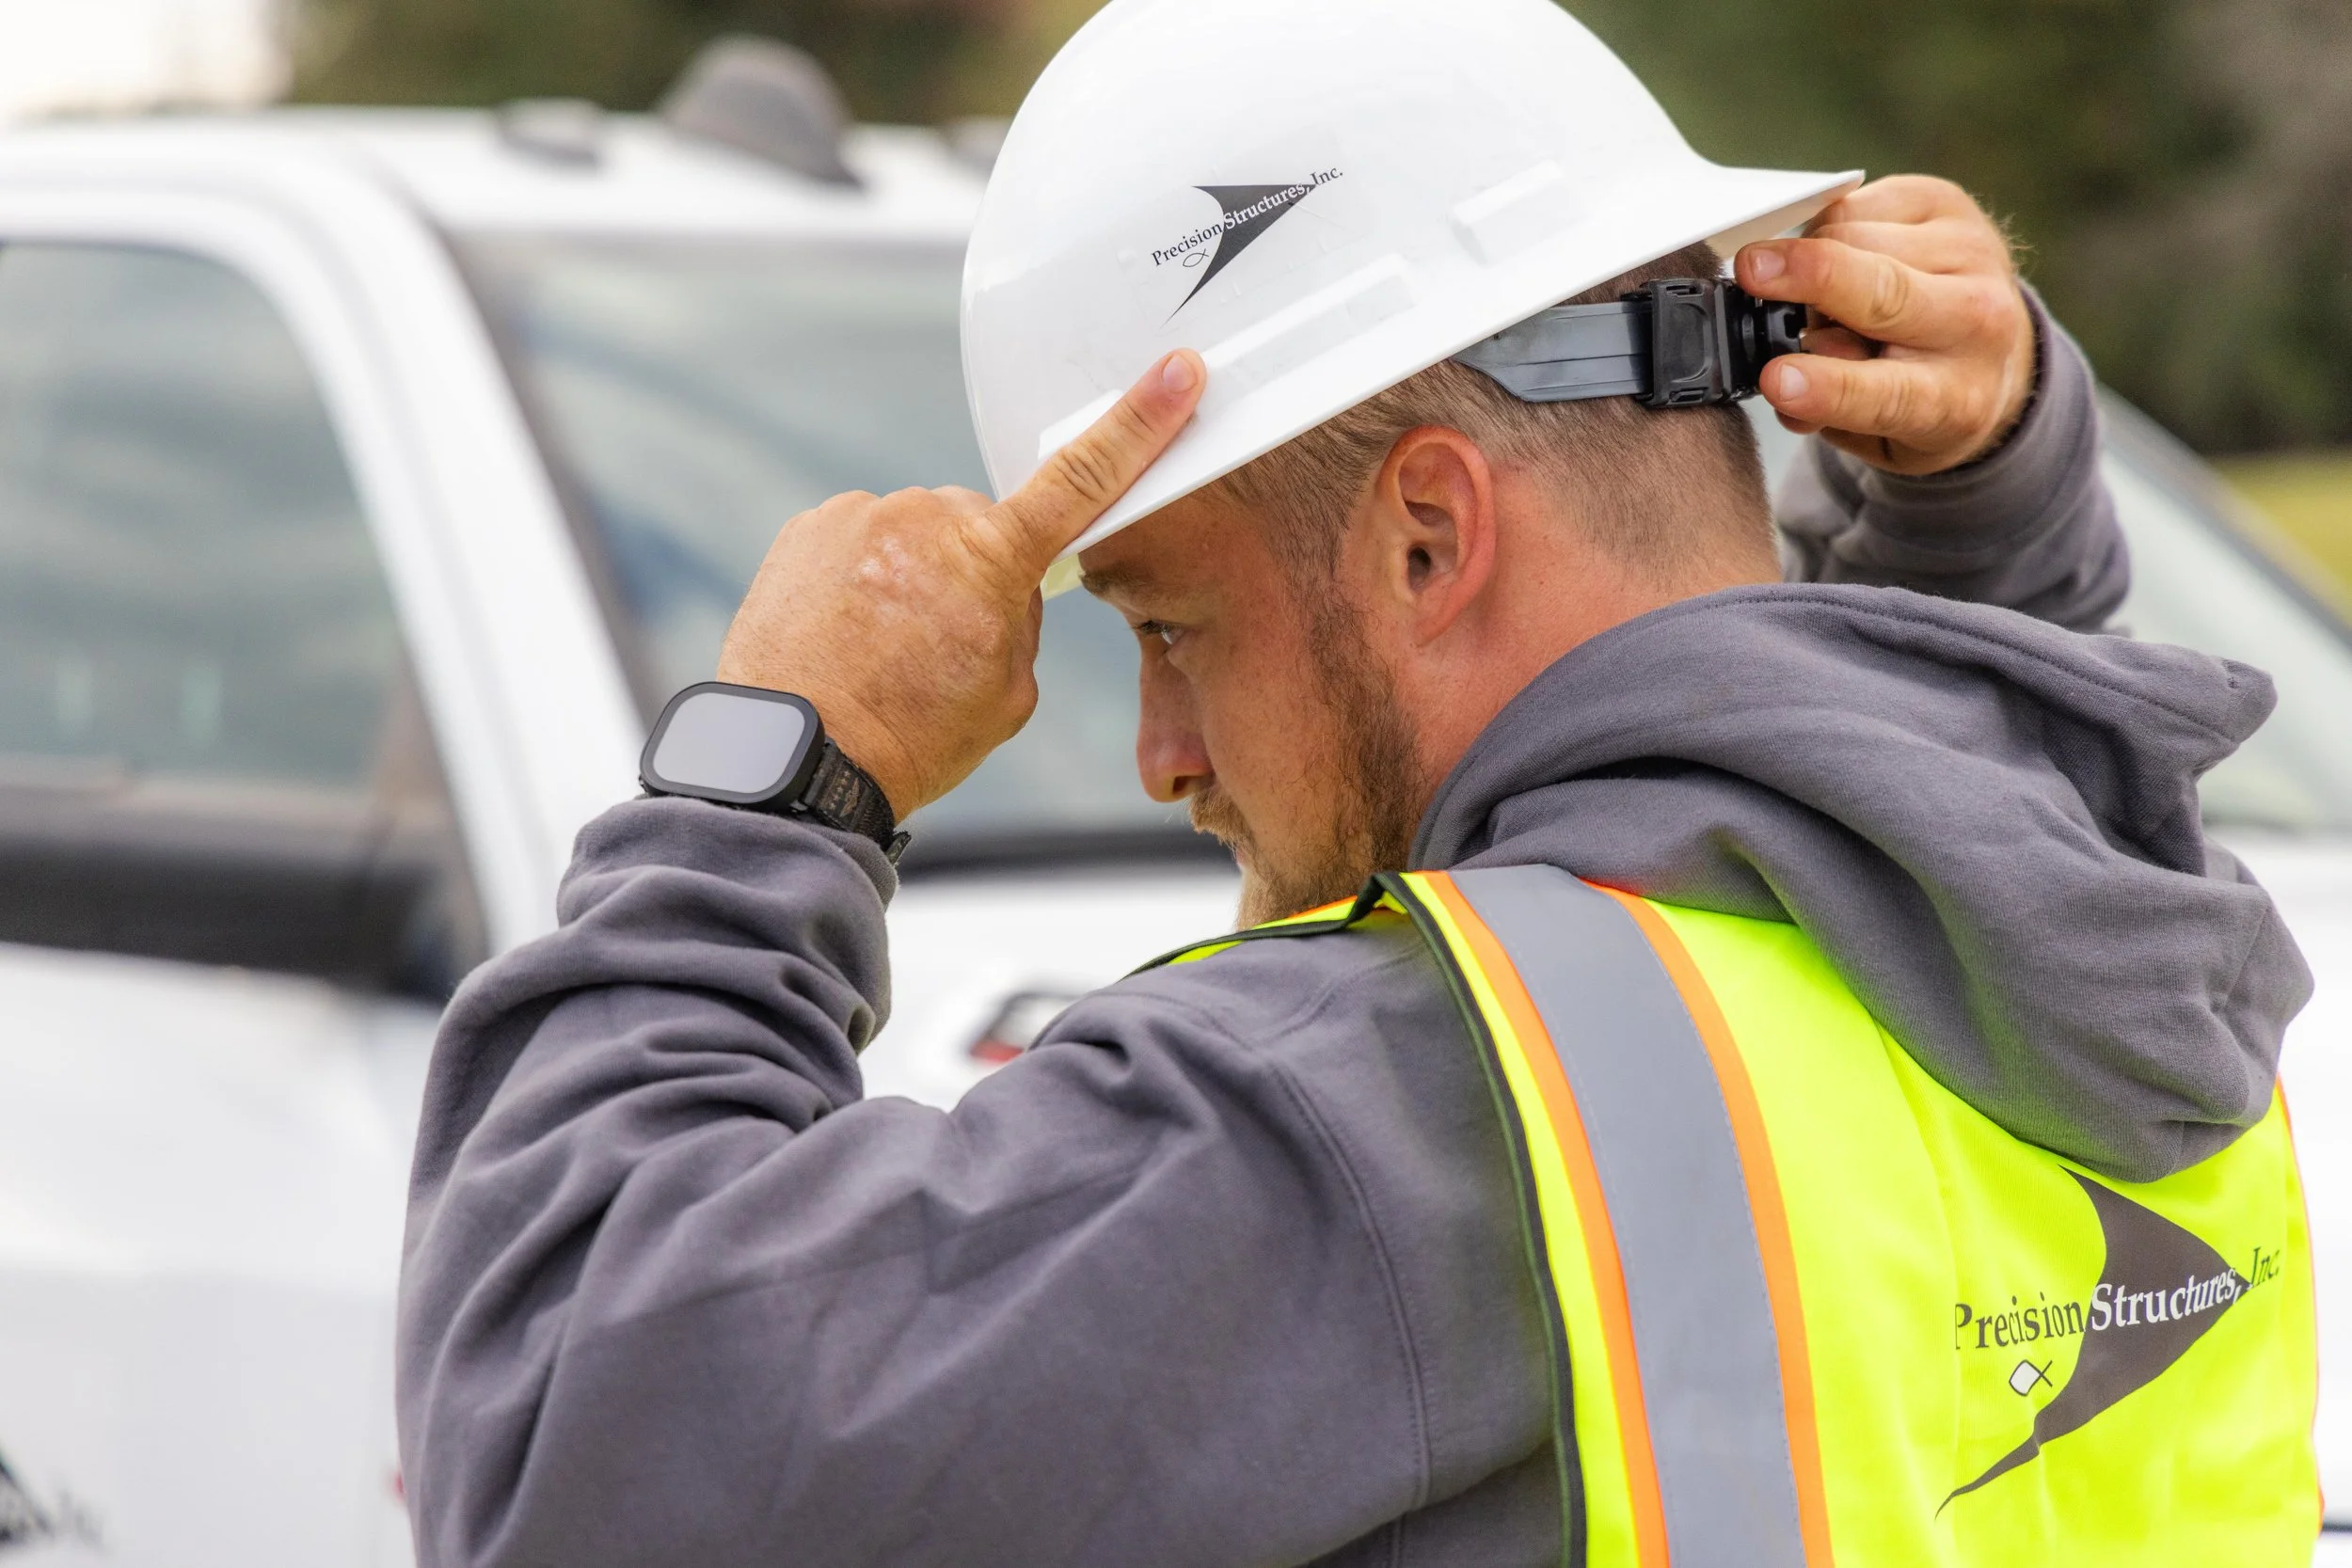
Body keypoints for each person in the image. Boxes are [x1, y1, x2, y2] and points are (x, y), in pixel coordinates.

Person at [397, 1, 2318, 1563]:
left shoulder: (1375, 1113)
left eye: (1164, 627)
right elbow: (1905, 720)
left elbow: (570, 1442)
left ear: (1423, 536)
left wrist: (767, 792)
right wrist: (1990, 496)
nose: (1160, 756)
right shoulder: (2070, 886)